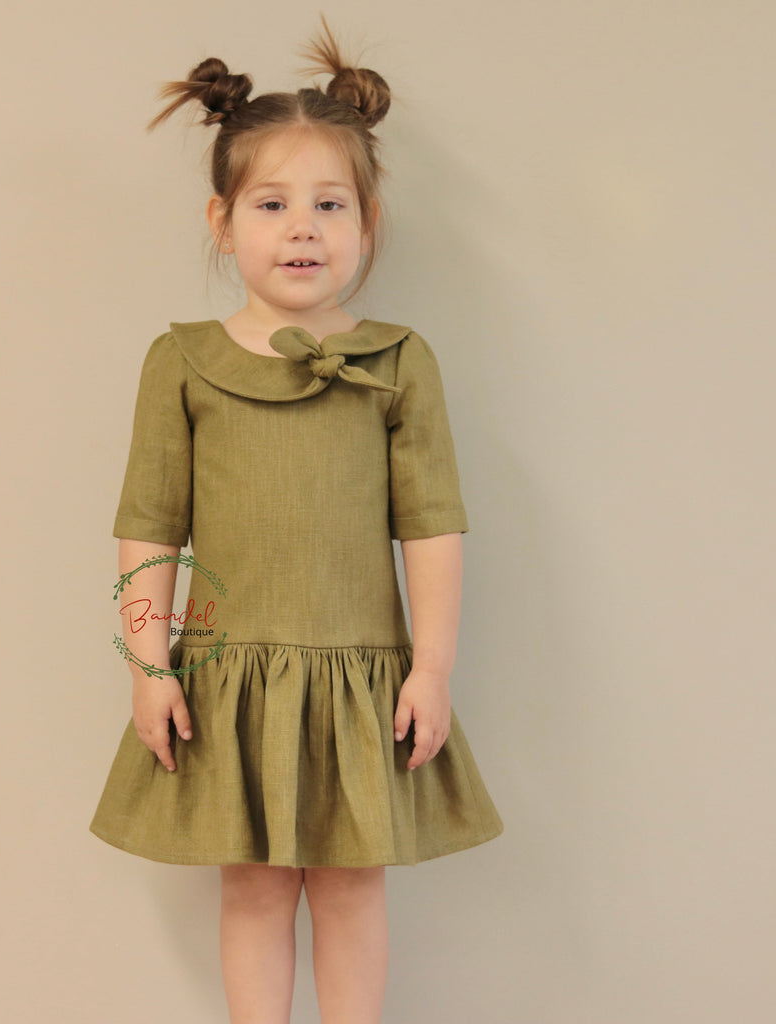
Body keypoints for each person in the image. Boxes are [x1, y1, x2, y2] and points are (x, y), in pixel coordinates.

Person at [90, 18, 503, 1024]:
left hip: (359, 672)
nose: (303, 228)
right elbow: (147, 529)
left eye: (329, 205)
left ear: (367, 220)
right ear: (223, 220)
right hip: (229, 675)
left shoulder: (399, 360)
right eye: (273, 204)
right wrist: (147, 669)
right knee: (256, 884)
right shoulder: (180, 360)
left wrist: (431, 666)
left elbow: (432, 526)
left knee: (355, 884)